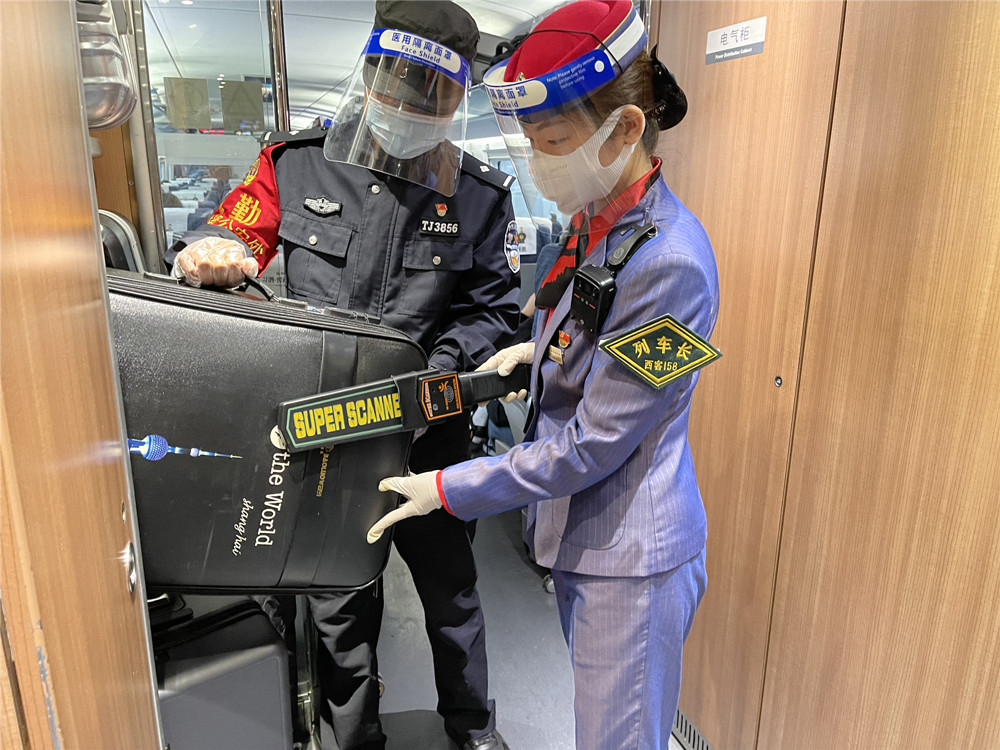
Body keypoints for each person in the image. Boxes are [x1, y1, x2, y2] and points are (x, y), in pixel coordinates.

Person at [165, 3, 519, 749]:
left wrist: (435, 380)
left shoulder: (478, 195)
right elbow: (234, 232)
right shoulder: (297, 163)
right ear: (373, 73)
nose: (410, 107)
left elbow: (492, 310)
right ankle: (355, 741)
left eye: (434, 96)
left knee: (451, 594)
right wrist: (212, 252)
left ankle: (474, 731)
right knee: (339, 609)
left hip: (428, 435)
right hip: (327, 438)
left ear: (456, 100)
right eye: (398, 85)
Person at [367, 1, 720, 748]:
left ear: (625, 129)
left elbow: (593, 445)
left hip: (631, 559)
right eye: (529, 142)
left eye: (553, 142)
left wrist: (448, 489)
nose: (537, 163)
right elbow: (597, 326)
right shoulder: (601, 218)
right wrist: (539, 351)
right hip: (587, 540)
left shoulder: (671, 262)